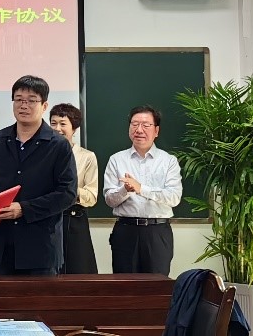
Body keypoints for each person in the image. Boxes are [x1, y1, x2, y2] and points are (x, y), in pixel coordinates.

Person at [0, 75, 77, 275]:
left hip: (41, 248)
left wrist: (24, 208)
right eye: (19, 99)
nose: (24, 105)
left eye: (31, 100)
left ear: (44, 106)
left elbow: (67, 193)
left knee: (39, 297)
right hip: (2, 246)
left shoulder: (58, 145)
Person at [104, 105, 182, 276]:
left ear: (156, 131)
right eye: (134, 124)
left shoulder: (168, 161)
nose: (139, 130)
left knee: (157, 285)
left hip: (157, 232)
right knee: (125, 285)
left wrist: (141, 189)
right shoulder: (116, 160)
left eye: (146, 125)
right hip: (125, 231)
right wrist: (125, 190)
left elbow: (174, 197)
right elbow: (109, 200)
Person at [49, 103, 98, 274]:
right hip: (47, 218)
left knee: (78, 273)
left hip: (74, 219)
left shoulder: (87, 157)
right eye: (53, 123)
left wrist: (68, 189)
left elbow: (91, 196)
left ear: (74, 128)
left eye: (63, 124)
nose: (57, 128)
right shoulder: (41, 154)